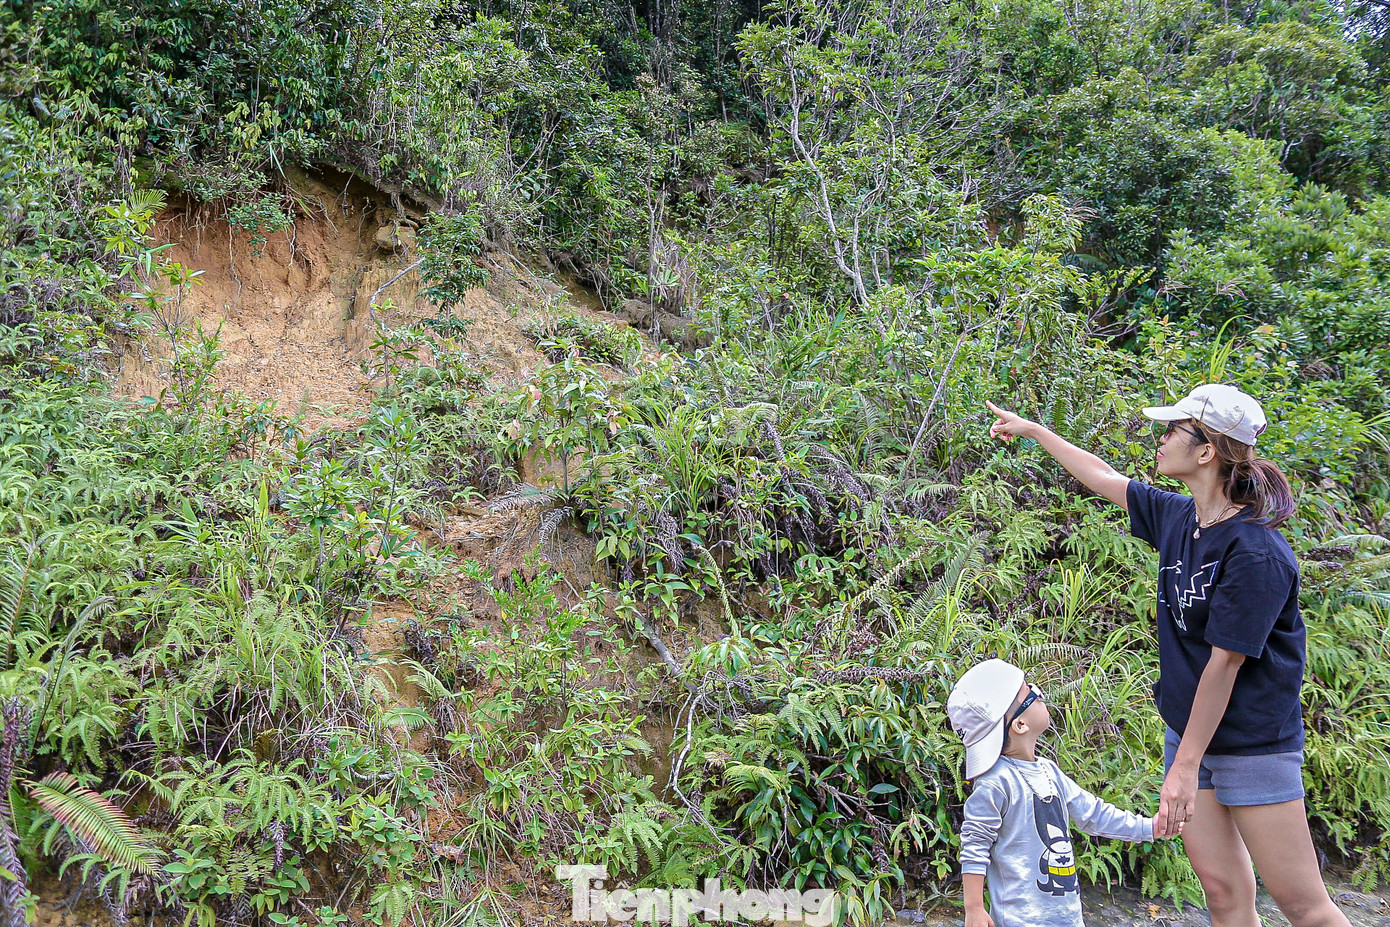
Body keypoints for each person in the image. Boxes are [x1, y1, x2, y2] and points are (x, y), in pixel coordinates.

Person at [985, 384, 1351, 927]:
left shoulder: (1256, 553)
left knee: (1303, 906)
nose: (1159, 439)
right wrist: (1037, 432)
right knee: (1225, 894)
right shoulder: (1181, 518)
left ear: (1206, 451)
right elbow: (1105, 477)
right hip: (1189, 733)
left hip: (1253, 744)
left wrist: (1182, 770)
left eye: (1171, 430)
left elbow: (1224, 666)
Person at [948, 658, 1163, 927]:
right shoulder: (996, 783)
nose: (1040, 694)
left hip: (1067, 917)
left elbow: (1093, 813)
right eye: (1031, 692)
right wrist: (975, 908)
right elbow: (975, 844)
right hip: (1020, 920)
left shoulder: (1050, 772)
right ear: (1020, 725)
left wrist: (1149, 828)